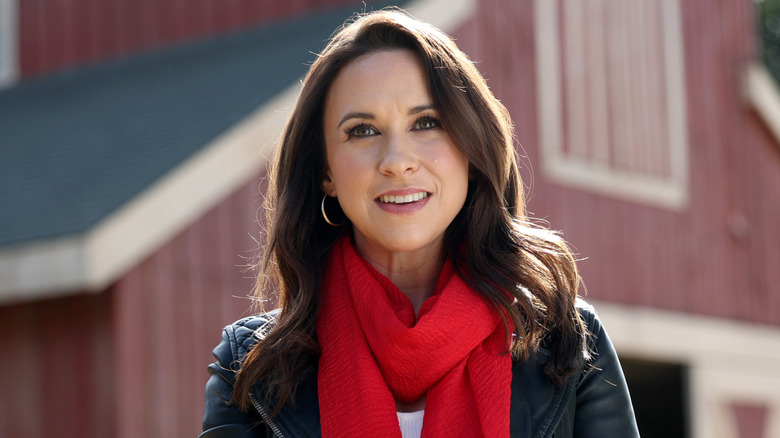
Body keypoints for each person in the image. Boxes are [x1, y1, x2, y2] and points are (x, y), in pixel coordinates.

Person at [201, 8, 639, 438]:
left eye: (427, 123)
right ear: (326, 172)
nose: (397, 161)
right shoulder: (251, 369)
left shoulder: (569, 342)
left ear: (471, 152)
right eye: (362, 130)